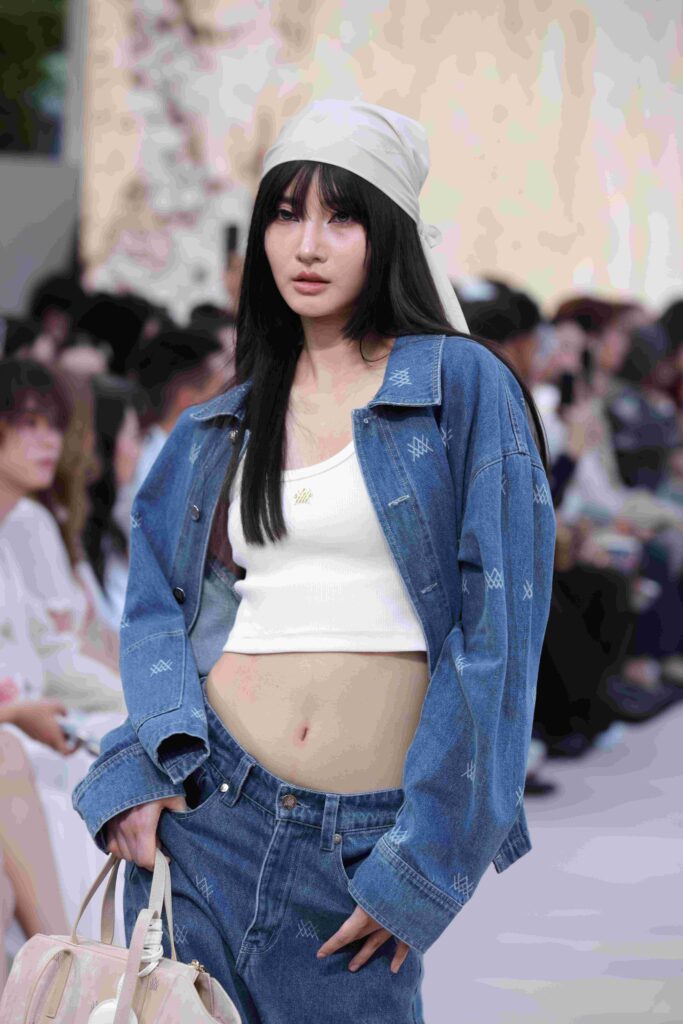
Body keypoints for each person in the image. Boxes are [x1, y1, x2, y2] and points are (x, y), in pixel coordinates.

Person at [72, 99, 556, 1023]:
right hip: (207, 818)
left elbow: (499, 637)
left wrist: (424, 862)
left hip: (359, 845)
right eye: (286, 214)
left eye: (341, 217)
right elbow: (156, 607)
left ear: (389, 235)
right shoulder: (220, 422)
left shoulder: (458, 387)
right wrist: (140, 772)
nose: (307, 244)